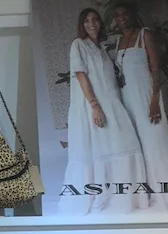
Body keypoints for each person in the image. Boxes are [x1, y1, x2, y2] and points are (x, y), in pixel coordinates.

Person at [61, 8, 148, 214]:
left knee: (125, 144)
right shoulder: (79, 45)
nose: (92, 23)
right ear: (82, 25)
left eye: (95, 19)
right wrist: (95, 106)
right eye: (87, 21)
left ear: (100, 23)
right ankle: (104, 198)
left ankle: (126, 199)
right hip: (94, 106)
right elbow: (81, 75)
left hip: (112, 104)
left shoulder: (101, 49)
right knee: (99, 150)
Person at [114, 2, 168, 209]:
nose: (121, 18)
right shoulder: (118, 41)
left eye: (124, 14)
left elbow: (155, 68)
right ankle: (145, 195)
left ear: (131, 15)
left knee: (155, 143)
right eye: (117, 15)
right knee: (138, 147)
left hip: (146, 96)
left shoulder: (144, 34)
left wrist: (154, 99)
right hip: (127, 100)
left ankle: (163, 193)